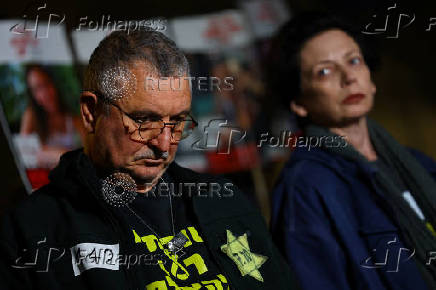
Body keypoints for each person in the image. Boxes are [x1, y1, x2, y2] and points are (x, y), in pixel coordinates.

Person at [0, 30, 296, 290]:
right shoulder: (33, 232)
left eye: (178, 121)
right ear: (91, 112)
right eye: (144, 120)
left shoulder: (225, 201)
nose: (164, 143)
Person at [270, 12, 436, 290]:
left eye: (354, 61)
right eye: (324, 71)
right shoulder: (305, 187)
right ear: (299, 102)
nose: (348, 77)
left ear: (370, 77)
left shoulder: (417, 164)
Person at [20, 65, 84, 167]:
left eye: (46, 84)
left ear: (54, 83)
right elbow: (24, 152)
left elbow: (89, 154)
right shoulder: (31, 115)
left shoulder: (72, 119)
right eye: (37, 89)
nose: (44, 93)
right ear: (32, 95)